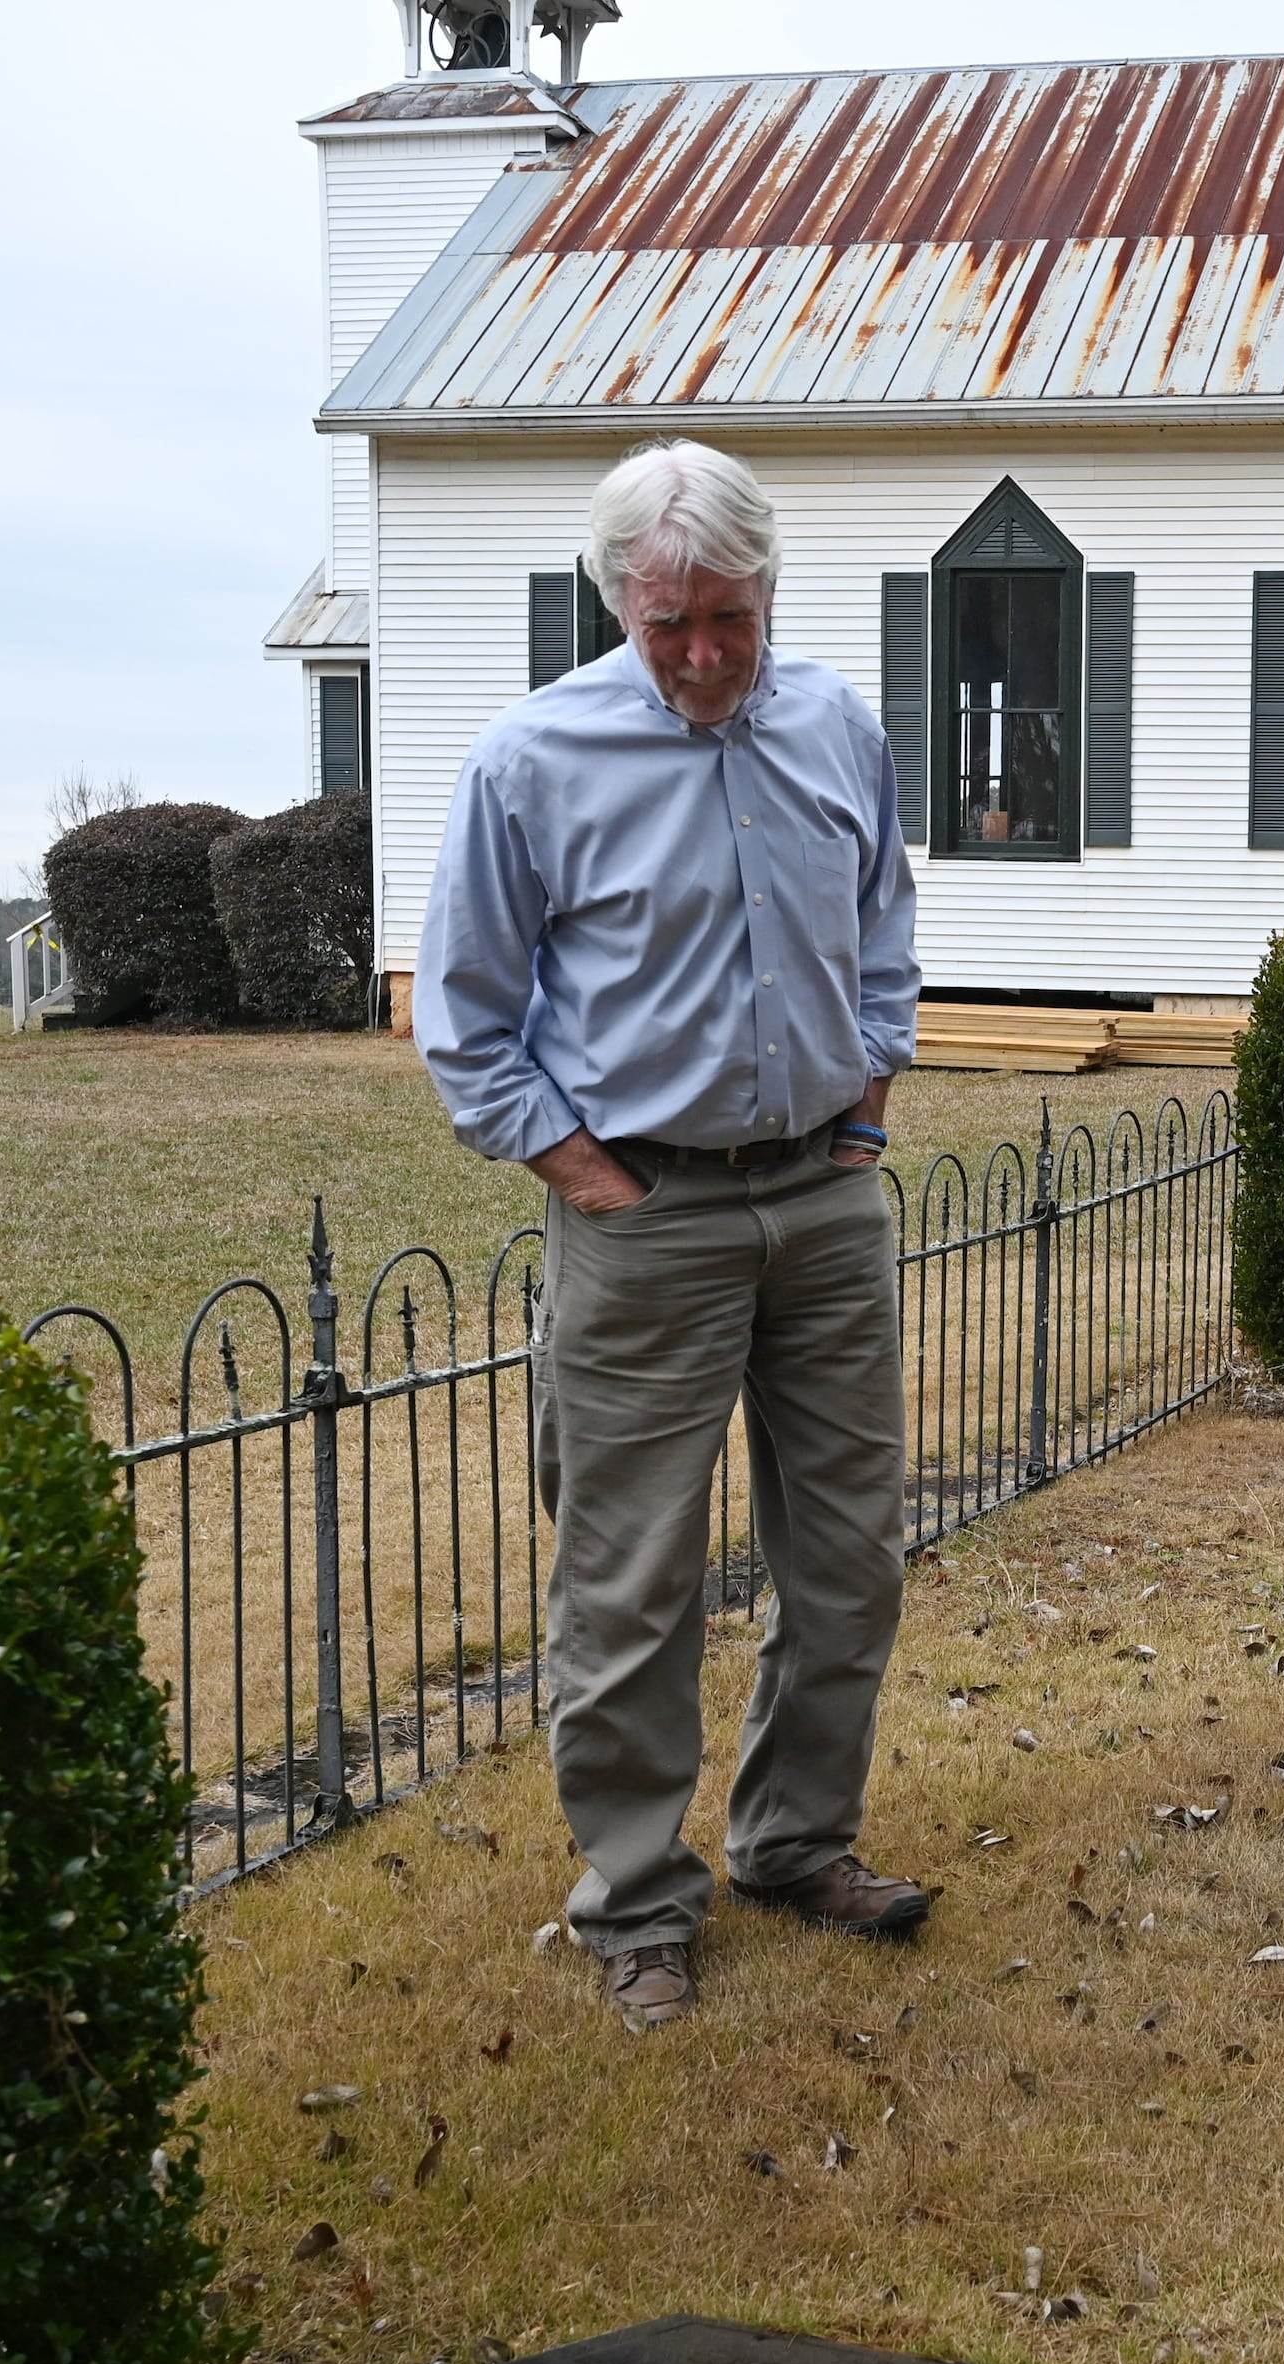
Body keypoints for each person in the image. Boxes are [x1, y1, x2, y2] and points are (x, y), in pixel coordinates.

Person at [414, 440, 933, 2033]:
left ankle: (795, 1844)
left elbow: (884, 919)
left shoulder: (837, 724)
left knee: (848, 1556)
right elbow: (467, 1022)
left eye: (729, 617)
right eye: (667, 624)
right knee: (628, 1586)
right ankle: (636, 1905)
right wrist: (592, 1180)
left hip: (826, 1197)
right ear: (615, 603)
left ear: (770, 590)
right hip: (642, 1211)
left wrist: (864, 1107)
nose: (704, 652)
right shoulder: (530, 761)